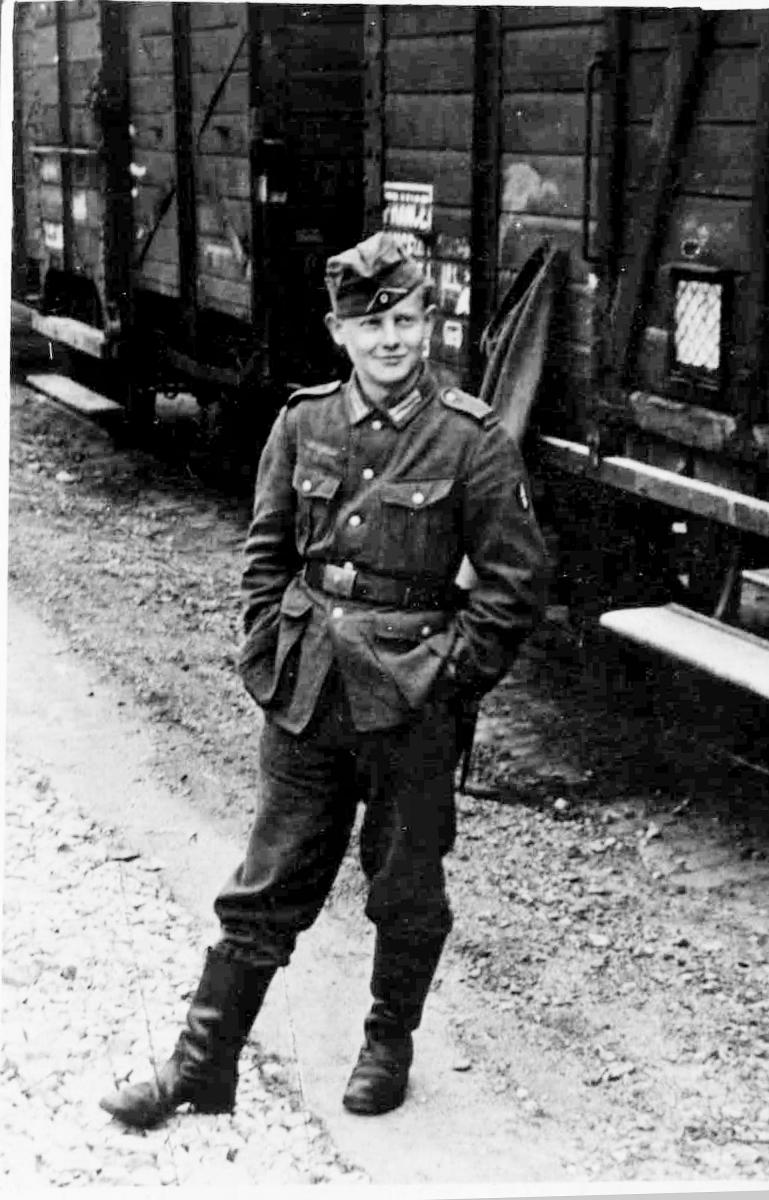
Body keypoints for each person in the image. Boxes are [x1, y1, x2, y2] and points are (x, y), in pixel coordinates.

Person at [100, 231, 548, 1128]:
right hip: (307, 692)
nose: (390, 340)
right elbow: (266, 554)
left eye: (408, 320)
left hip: (412, 701)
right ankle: (202, 1065)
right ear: (339, 331)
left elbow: (515, 581)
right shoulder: (302, 422)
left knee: (407, 884)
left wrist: (450, 680)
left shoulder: (471, 439)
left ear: (430, 325)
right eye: (370, 323)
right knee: (268, 879)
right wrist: (266, 652)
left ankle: (387, 1045)